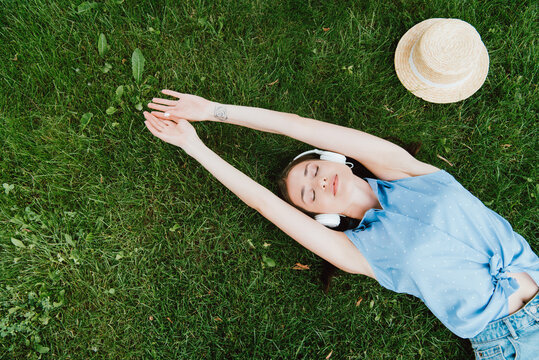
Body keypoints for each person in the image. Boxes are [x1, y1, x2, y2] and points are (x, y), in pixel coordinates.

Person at [143, 90, 538, 359]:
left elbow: (297, 125)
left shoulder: (406, 171)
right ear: (321, 219)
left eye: (313, 169)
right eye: (309, 196)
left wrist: (214, 111)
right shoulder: (359, 253)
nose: (317, 183)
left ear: (336, 158)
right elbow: (264, 203)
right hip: (509, 342)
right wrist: (194, 145)